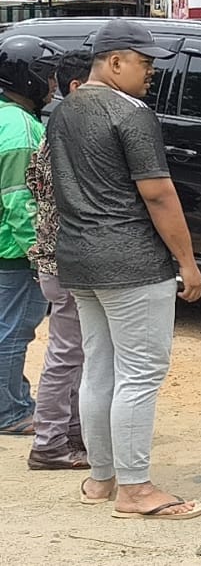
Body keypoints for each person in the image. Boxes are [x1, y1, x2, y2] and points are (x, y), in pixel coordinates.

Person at [51, 20, 201, 520]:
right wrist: (187, 261)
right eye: (145, 63)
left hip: (78, 257)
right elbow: (158, 193)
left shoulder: (61, 111)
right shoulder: (131, 113)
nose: (151, 73)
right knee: (140, 373)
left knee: (100, 369)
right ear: (115, 62)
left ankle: (102, 480)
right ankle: (135, 491)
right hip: (132, 260)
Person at [27, 51, 94, 470]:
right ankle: (50, 442)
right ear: (77, 88)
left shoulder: (53, 132)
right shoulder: (73, 134)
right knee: (68, 353)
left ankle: (69, 432)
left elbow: (33, 182)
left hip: (53, 256)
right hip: (64, 258)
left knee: (75, 353)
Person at [0, 35, 60, 438]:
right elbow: (21, 204)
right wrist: (41, 257)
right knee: (14, 330)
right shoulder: (22, 130)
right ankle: (11, 411)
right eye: (49, 77)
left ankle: (14, 398)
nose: (54, 86)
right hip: (15, 250)